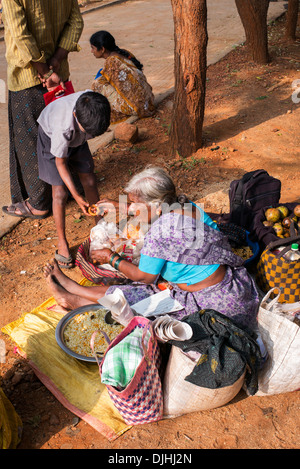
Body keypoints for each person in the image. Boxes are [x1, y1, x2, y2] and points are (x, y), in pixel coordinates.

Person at [44, 166, 260, 330]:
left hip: (212, 305)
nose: (132, 208)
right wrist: (122, 206)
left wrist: (111, 257)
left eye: (135, 203)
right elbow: (154, 212)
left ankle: (73, 298)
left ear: (156, 206)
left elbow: (143, 276)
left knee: (135, 300)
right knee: (145, 290)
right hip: (232, 287)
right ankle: (71, 289)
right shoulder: (189, 207)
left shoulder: (160, 233)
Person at [1, 0, 84, 219]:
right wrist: (55, 60)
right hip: (59, 74)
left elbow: (20, 33)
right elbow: (75, 21)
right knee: (63, 131)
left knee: (29, 140)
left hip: (28, 76)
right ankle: (71, 185)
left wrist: (42, 69)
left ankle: (39, 202)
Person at [37, 90, 111, 268]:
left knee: (90, 181)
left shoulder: (94, 107)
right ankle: (62, 241)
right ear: (75, 116)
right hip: (51, 137)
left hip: (78, 136)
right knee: (60, 192)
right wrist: (77, 196)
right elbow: (60, 163)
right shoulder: (61, 127)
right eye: (89, 133)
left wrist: (85, 134)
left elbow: (88, 128)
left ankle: (100, 229)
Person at [90, 30, 155, 124]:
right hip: (148, 102)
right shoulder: (124, 52)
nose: (91, 51)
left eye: (93, 48)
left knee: (97, 84)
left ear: (102, 49)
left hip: (139, 107)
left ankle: (104, 117)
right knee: (101, 75)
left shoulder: (111, 62)